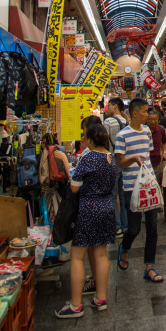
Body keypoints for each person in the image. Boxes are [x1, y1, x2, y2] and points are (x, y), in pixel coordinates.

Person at [54, 124, 116, 318]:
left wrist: (66, 163)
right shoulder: (109, 157)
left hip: (89, 208)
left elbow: (74, 188)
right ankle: (101, 298)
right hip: (106, 207)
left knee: (78, 256)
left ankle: (75, 305)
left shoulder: (88, 157)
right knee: (101, 254)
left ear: (90, 139)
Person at [114, 98, 163, 283]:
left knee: (152, 228)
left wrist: (153, 180)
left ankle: (149, 266)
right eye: (144, 111)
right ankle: (124, 248)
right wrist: (133, 159)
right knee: (134, 229)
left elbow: (148, 158)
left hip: (148, 186)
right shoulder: (122, 136)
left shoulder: (147, 134)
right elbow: (120, 163)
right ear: (134, 114)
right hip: (131, 187)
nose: (148, 114)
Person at [103, 97, 128, 239]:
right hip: (125, 160)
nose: (108, 108)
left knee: (113, 195)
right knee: (124, 195)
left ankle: (117, 227)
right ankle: (126, 226)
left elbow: (105, 142)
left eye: (109, 105)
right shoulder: (127, 121)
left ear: (115, 106)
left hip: (112, 160)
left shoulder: (108, 122)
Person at [147, 109, 166, 180]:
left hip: (157, 162)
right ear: (147, 120)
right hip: (145, 163)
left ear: (158, 120)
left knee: (157, 182)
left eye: (155, 119)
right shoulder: (143, 130)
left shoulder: (161, 129)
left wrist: (164, 152)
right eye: (150, 119)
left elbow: (165, 142)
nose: (153, 121)